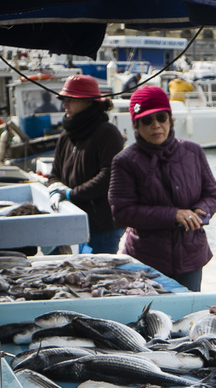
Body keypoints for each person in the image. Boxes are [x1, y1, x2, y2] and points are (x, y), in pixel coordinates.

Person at [108, 85, 216, 292]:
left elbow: (213, 196)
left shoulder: (193, 151)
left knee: (189, 312)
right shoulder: (124, 161)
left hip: (191, 257)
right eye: (147, 120)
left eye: (162, 117)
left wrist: (198, 212)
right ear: (136, 125)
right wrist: (173, 215)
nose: (156, 125)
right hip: (147, 259)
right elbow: (122, 213)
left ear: (170, 119)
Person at [48, 74, 125, 254]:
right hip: (71, 222)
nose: (64, 105)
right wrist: (54, 189)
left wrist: (70, 193)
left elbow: (109, 176)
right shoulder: (66, 136)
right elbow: (54, 173)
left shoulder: (107, 133)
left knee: (100, 276)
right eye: (64, 99)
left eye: (70, 100)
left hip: (102, 227)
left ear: (89, 102)